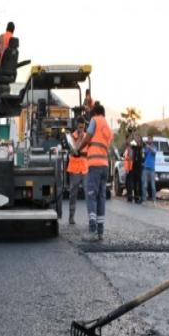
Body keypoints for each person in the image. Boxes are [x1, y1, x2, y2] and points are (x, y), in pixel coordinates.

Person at [74, 101, 113, 240]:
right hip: (105, 165)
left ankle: (92, 231)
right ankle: (100, 231)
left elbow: (88, 137)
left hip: (94, 165)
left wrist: (78, 148)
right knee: (101, 197)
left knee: (91, 195)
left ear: (95, 113)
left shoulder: (95, 120)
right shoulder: (108, 127)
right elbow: (103, 145)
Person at [66, 117, 89, 225]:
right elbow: (74, 150)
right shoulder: (71, 136)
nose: (82, 130)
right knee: (73, 194)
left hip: (85, 168)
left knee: (88, 193)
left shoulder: (86, 136)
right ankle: (71, 217)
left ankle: (91, 218)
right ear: (77, 126)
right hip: (74, 168)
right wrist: (79, 139)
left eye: (83, 127)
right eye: (80, 127)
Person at [142, 136, 157, 202]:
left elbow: (154, 152)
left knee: (153, 185)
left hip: (152, 169)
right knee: (145, 185)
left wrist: (149, 147)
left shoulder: (154, 147)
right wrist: (145, 149)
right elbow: (143, 154)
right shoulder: (146, 147)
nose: (149, 140)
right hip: (145, 168)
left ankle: (154, 199)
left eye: (150, 139)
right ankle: (144, 198)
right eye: (148, 139)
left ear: (152, 140)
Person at [131, 134, 144, 204]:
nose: (137, 141)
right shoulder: (134, 147)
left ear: (141, 141)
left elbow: (143, 158)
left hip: (139, 167)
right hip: (134, 166)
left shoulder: (142, 148)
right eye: (137, 140)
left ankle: (141, 197)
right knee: (135, 183)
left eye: (139, 139)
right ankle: (136, 198)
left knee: (140, 183)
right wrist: (133, 137)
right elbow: (131, 143)